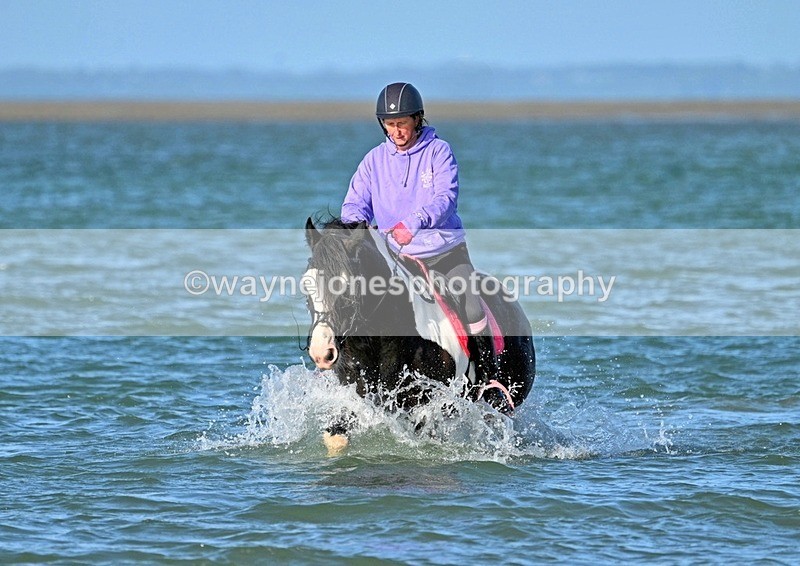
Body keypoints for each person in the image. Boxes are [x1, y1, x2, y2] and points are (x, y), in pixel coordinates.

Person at [340, 81, 497, 390]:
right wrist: (357, 225)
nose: (396, 131)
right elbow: (354, 203)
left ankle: (489, 379)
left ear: (417, 119)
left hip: (443, 252)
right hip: (394, 256)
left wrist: (413, 222)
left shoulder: (439, 151)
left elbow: (446, 198)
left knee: (470, 302)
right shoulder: (373, 160)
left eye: (402, 123)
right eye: (390, 124)